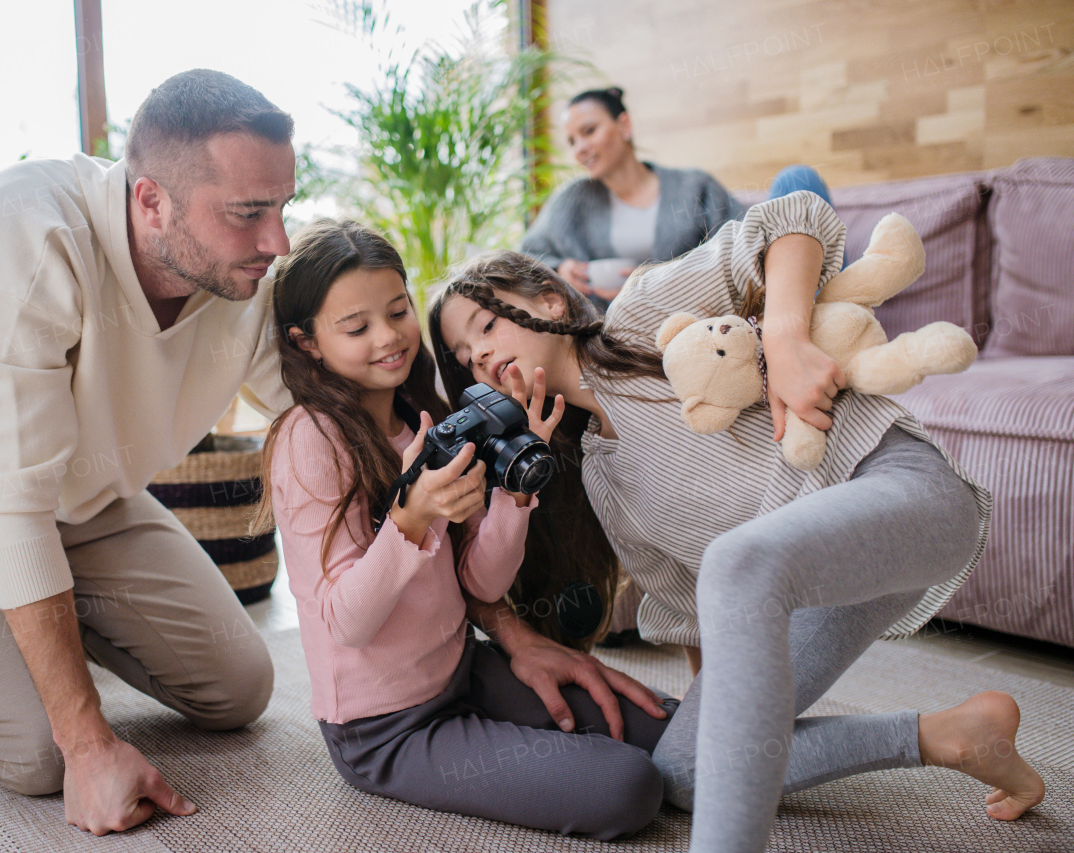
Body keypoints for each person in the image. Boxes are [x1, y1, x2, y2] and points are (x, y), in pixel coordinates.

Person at [430, 191, 1046, 852]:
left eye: (486, 326)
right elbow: (701, 604)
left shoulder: (639, 317)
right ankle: (953, 734)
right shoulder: (601, 476)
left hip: (898, 488)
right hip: (812, 579)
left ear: (549, 300)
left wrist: (783, 342)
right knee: (681, 769)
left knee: (739, 562)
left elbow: (794, 217)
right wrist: (713, 719)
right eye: (464, 358)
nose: (480, 357)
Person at [0, 69, 298, 835]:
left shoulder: (241, 271)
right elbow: (11, 503)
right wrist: (88, 743)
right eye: (248, 213)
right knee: (38, 755)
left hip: (79, 491)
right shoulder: (27, 234)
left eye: (283, 206)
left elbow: (317, 422)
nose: (275, 241)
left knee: (237, 687)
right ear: (150, 200)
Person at [255, 218, 676, 839]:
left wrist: (512, 494)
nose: (389, 337)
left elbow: (480, 578)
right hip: (389, 727)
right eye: (356, 327)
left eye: (397, 312)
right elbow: (347, 621)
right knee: (626, 785)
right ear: (307, 342)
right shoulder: (309, 439)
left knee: (668, 729)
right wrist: (410, 518)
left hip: (463, 669)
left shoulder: (427, 419)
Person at [521, 86, 832, 312]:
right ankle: (815, 315)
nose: (580, 148)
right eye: (572, 141)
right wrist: (560, 269)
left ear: (624, 126)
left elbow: (744, 248)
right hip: (644, 330)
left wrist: (663, 279)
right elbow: (523, 259)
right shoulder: (572, 201)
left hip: (718, 307)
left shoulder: (693, 186)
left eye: (589, 131)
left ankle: (815, 311)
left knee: (798, 180)